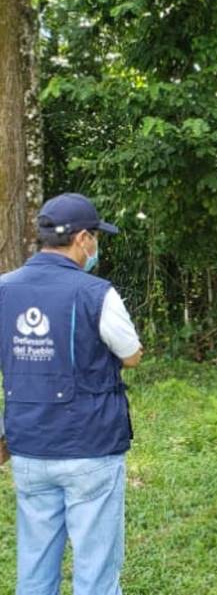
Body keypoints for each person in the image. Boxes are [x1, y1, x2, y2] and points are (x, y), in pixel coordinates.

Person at [1, 193, 144, 594]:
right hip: (90, 449)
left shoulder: (3, 290)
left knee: (34, 567)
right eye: (95, 237)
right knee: (96, 572)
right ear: (83, 238)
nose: (96, 246)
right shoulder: (97, 293)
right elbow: (131, 356)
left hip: (28, 448)